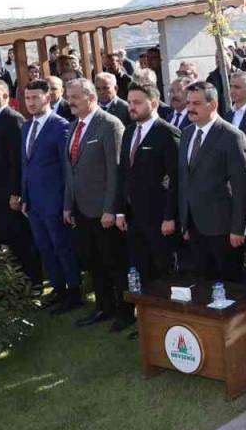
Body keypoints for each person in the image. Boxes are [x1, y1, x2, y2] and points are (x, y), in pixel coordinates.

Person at [60, 79, 130, 331]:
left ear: (91, 98)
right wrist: (68, 205)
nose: (70, 101)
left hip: (104, 211)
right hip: (81, 210)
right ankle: (104, 307)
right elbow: (71, 171)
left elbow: (116, 171)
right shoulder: (72, 127)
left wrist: (111, 208)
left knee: (115, 262)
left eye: (75, 96)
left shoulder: (110, 124)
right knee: (94, 263)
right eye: (68, 96)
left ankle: (125, 311)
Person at [178, 81, 246, 282]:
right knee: (203, 284)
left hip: (224, 228)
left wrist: (238, 228)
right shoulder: (186, 134)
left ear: (212, 105)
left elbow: (243, 186)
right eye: (188, 103)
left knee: (230, 286)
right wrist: (185, 222)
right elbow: (185, 180)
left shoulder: (232, 136)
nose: (190, 108)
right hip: (195, 227)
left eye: (196, 103)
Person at [19, 80, 83, 314]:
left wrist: (67, 203)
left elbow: (68, 169)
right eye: (27, 98)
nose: (31, 102)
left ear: (47, 97)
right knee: (44, 247)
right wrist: (25, 197)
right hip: (34, 203)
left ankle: (74, 291)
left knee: (62, 247)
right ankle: (58, 289)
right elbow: (25, 165)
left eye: (36, 97)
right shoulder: (26, 126)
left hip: (55, 201)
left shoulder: (60, 126)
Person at [115, 82, 180, 309]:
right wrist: (120, 210)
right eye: (130, 102)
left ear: (153, 103)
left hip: (159, 217)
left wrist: (170, 216)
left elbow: (176, 179)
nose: (131, 107)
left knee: (162, 269)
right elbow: (123, 173)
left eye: (137, 102)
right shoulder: (130, 131)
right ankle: (148, 318)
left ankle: (168, 316)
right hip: (133, 217)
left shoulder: (167, 133)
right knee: (140, 268)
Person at [0, 80, 40, 290]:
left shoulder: (12, 119)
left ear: (5, 96)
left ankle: (32, 285)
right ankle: (18, 284)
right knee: (9, 240)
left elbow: (17, 160)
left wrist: (16, 192)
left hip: (10, 195)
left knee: (21, 240)